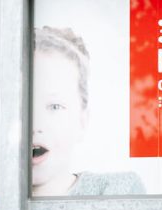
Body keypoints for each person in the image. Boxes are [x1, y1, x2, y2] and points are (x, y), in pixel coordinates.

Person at [32, 26, 145, 196]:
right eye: (24, 107)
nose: (35, 123)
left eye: (55, 106)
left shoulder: (119, 191)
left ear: (82, 122)